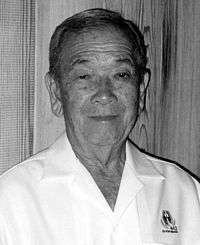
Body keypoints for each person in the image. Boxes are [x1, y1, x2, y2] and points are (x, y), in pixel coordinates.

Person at [0, 8, 200, 245]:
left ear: (142, 88)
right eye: (84, 76)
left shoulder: (184, 193)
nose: (105, 94)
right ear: (56, 92)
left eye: (121, 75)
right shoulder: (11, 200)